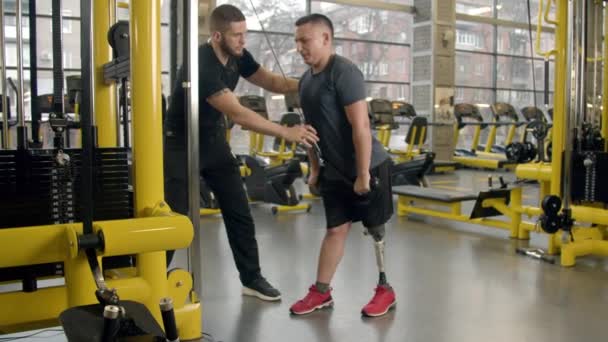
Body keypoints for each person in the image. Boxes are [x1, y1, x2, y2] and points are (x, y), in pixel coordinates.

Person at [163, 4, 318, 302]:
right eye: (237, 36)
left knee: (239, 210)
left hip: (210, 139)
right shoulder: (202, 64)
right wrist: (286, 132)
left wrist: (311, 81)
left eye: (245, 34)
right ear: (218, 35)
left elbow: (271, 81)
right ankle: (152, 278)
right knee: (174, 217)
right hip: (180, 142)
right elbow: (240, 114)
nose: (243, 41)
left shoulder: (238, 56)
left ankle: (252, 279)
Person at [289, 14, 396, 317]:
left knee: (376, 229)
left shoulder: (344, 73)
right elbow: (309, 130)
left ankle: (385, 289)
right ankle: (321, 292)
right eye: (297, 41)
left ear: (325, 38)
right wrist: (314, 169)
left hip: (369, 166)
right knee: (335, 229)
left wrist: (362, 174)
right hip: (334, 171)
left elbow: (361, 127)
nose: (299, 47)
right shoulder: (306, 80)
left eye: (304, 40)